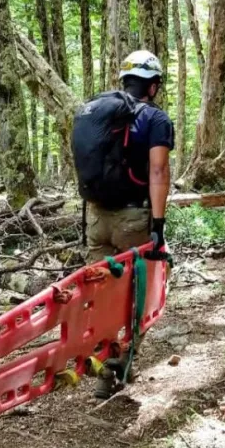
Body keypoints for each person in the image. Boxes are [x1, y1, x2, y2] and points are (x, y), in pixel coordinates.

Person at [75, 50, 173, 398]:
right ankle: (117, 370)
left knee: (100, 293)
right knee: (138, 295)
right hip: (133, 218)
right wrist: (158, 225)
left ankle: (99, 359)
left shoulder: (97, 112)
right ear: (153, 86)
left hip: (96, 216)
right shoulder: (155, 119)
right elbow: (158, 170)